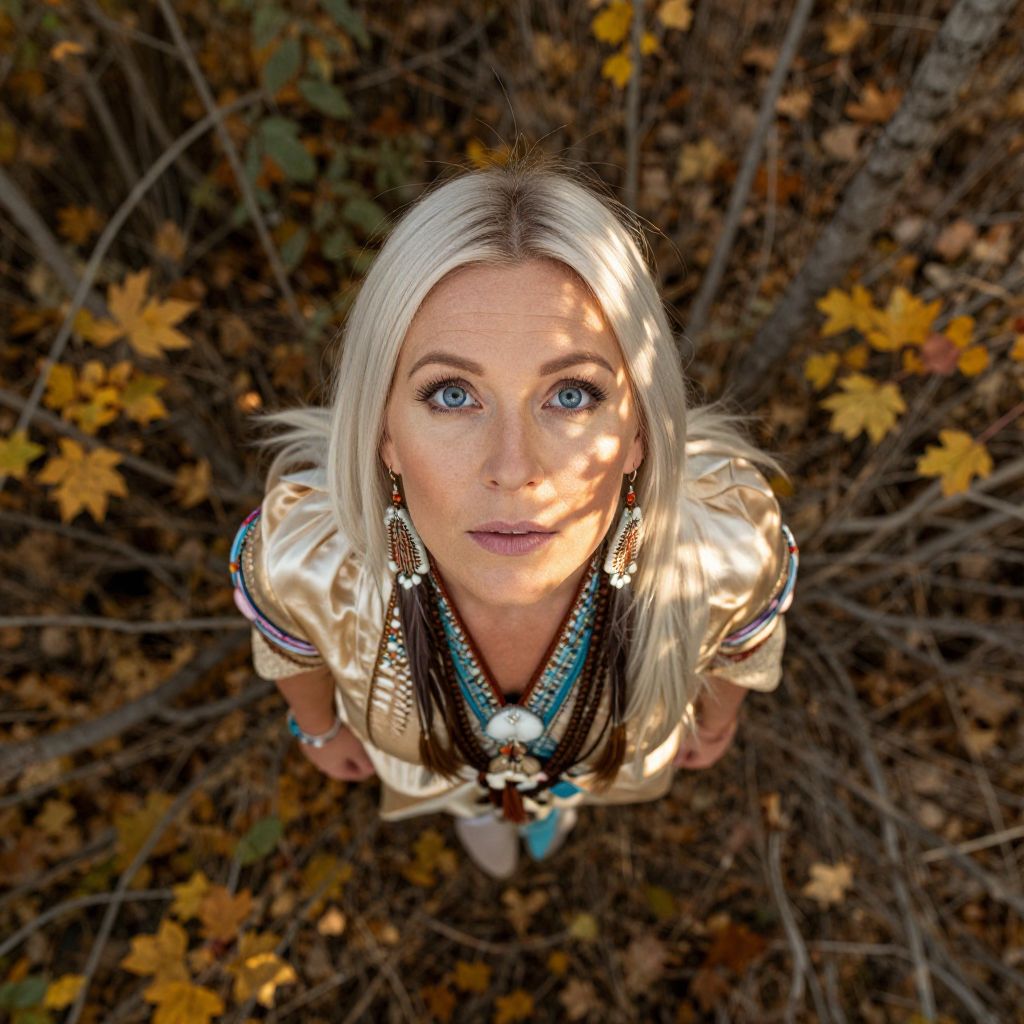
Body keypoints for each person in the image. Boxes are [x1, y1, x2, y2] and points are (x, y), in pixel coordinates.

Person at [228, 153, 799, 880]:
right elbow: (295, 647)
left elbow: (741, 646)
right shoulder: (305, 557)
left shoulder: (723, 549)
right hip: (432, 771)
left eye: (571, 395)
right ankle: (474, 810)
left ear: (640, 432)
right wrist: (315, 728)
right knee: (463, 792)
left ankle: (554, 809)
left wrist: (718, 719)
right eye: (452, 395)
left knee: (565, 789)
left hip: (595, 767)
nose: (512, 469)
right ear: (384, 434)